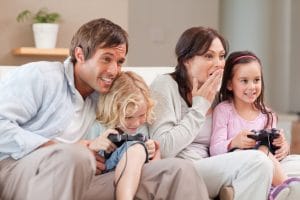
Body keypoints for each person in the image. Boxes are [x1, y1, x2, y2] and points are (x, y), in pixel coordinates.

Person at [0, 18, 209, 200]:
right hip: (18, 172)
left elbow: (132, 120)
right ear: (80, 55)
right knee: (76, 157)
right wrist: (60, 148)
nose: (114, 70)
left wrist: (150, 149)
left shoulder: (106, 94)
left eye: (119, 61)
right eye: (106, 59)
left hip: (83, 178)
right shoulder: (42, 76)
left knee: (177, 170)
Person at [148, 26, 275, 200]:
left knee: (293, 164)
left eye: (222, 56)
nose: (219, 63)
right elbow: (164, 148)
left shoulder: (216, 92)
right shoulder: (165, 85)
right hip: (183, 169)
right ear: (186, 60)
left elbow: (235, 131)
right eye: (209, 56)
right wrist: (200, 106)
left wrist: (275, 145)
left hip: (215, 166)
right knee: (258, 162)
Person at [210, 50, 300, 199]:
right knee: (261, 151)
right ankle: (287, 186)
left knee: (291, 159)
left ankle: (277, 189)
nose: (252, 87)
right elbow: (214, 150)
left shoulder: (268, 115)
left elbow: (275, 155)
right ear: (230, 85)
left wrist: (283, 146)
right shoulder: (223, 110)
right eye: (244, 81)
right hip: (239, 164)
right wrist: (234, 142)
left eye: (256, 80)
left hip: (269, 165)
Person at [84, 71, 161, 199]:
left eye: (142, 115)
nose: (136, 123)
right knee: (135, 150)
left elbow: (153, 169)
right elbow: (84, 161)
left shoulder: (142, 127)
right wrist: (94, 146)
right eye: (128, 117)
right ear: (112, 109)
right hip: (105, 178)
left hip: (136, 177)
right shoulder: (98, 127)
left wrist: (153, 150)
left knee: (138, 149)